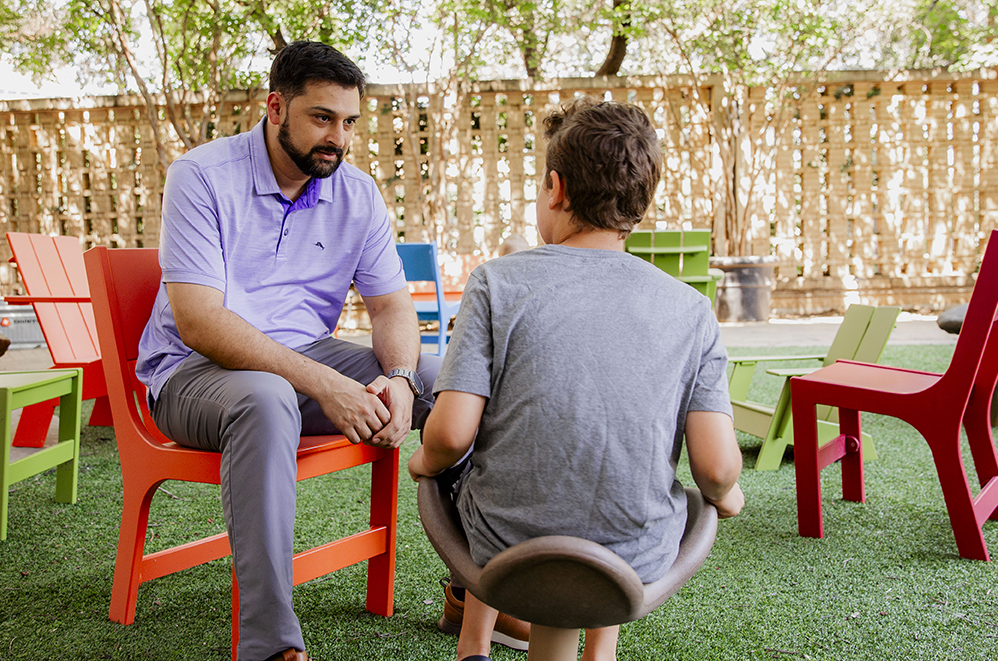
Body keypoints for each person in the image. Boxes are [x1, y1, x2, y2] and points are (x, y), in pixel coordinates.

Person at [408, 98, 745, 661]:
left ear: (556, 190)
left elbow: (449, 436)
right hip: (633, 562)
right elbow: (715, 468)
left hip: (505, 549)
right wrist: (724, 495)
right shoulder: (691, 310)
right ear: (640, 205)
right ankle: (599, 650)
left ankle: (474, 640)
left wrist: (424, 462)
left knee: (464, 466)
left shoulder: (495, 283)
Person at [137, 41, 440, 661]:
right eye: (322, 118)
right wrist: (324, 383)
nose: (339, 138)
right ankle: (269, 644)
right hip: (195, 376)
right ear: (276, 107)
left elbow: (390, 307)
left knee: (452, 379)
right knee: (268, 395)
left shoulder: (356, 193)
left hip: (302, 361)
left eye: (349, 122)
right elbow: (199, 322)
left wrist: (403, 379)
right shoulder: (201, 177)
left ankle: (473, 585)